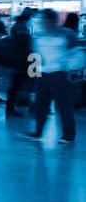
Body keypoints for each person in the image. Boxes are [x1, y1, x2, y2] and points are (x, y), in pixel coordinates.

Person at [23, 9, 78, 145]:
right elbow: (35, 56)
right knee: (40, 105)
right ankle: (38, 131)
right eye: (42, 21)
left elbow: (75, 54)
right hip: (43, 76)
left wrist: (69, 69)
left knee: (64, 106)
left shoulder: (65, 35)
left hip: (59, 75)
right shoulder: (38, 36)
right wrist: (33, 76)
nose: (43, 23)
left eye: (45, 21)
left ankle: (68, 135)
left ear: (52, 21)